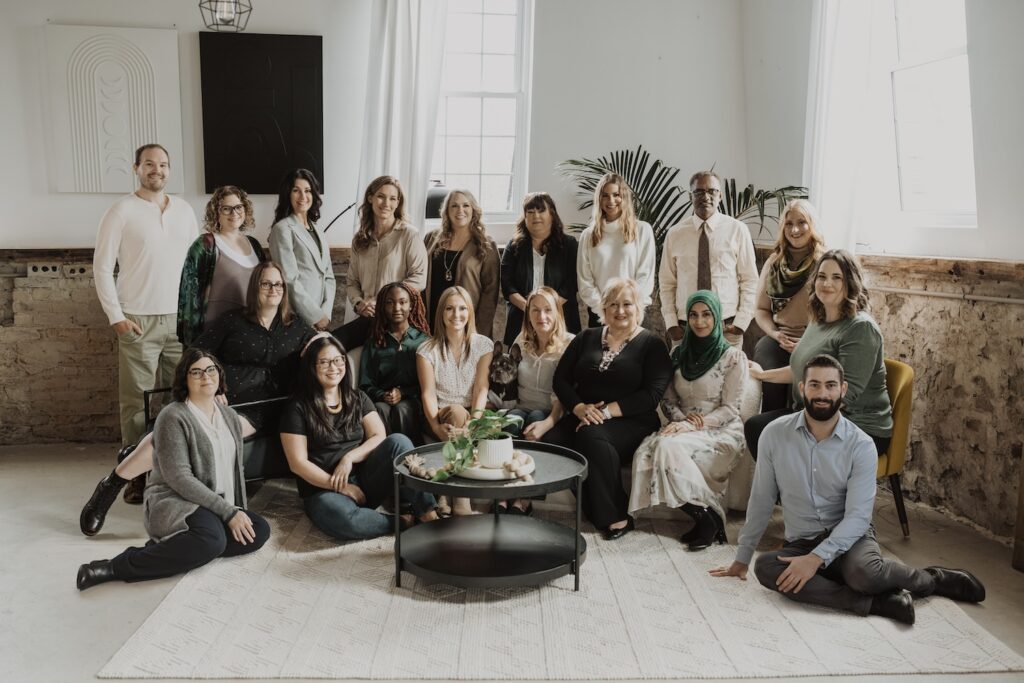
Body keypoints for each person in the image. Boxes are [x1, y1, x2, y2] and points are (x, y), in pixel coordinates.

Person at [710, 354, 986, 625]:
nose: (822, 393)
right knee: (766, 568)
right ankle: (873, 602)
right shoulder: (774, 434)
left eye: (830, 385)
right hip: (802, 540)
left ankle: (930, 579)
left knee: (865, 575)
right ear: (802, 388)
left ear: (842, 390)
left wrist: (816, 559)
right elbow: (762, 499)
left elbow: (858, 517)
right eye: (814, 385)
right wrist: (742, 557)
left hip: (851, 535)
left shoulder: (861, 445)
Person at [79, 262, 315, 536]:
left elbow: (325, 345)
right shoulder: (233, 321)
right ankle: (111, 485)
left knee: (192, 432)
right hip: (213, 396)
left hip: (256, 409)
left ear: (284, 290)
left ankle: (128, 462)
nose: (273, 289)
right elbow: (197, 352)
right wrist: (214, 388)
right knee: (174, 427)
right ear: (255, 288)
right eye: (266, 283)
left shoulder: (296, 326)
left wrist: (323, 338)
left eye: (278, 284)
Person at [76, 349, 269, 590]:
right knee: (212, 541)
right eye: (196, 372)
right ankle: (113, 567)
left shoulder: (228, 416)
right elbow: (179, 478)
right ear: (184, 380)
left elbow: (234, 470)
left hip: (211, 501)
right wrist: (228, 513)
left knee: (258, 531)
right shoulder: (173, 416)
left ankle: (184, 549)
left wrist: (237, 511)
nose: (205, 377)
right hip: (176, 499)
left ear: (219, 374)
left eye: (210, 370)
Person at [93, 143, 199, 504]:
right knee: (136, 403)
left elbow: (194, 269)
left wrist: (194, 315)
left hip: (179, 321)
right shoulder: (121, 211)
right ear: (137, 168)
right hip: (137, 319)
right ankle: (134, 474)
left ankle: (171, 470)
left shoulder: (184, 211)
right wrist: (117, 318)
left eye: (164, 164)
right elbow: (102, 268)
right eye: (150, 164)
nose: (158, 170)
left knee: (178, 399)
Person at [544, 278, 672, 539]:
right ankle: (592, 505)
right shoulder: (586, 337)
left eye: (627, 304)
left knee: (591, 436)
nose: (620, 310)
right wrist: (579, 408)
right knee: (552, 441)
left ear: (639, 308)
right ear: (603, 308)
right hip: (585, 414)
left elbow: (651, 395)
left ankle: (617, 516)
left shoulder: (652, 344)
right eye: (613, 304)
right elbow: (561, 379)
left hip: (632, 420)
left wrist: (604, 413)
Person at [280, 335, 438, 541]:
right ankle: (401, 522)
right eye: (325, 362)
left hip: (364, 480)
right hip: (324, 490)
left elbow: (378, 434)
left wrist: (349, 458)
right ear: (312, 367)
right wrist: (340, 485)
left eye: (338, 360)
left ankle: (428, 514)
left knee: (399, 441)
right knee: (345, 521)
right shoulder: (297, 408)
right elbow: (297, 463)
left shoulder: (357, 397)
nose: (333, 367)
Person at [629, 290, 747, 551]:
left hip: (720, 429)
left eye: (706, 315)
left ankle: (704, 520)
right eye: (693, 315)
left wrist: (694, 424)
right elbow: (668, 400)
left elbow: (731, 408)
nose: (699, 321)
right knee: (646, 453)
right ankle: (707, 516)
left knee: (665, 448)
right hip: (682, 424)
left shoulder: (733, 357)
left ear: (717, 318)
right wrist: (681, 420)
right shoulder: (678, 354)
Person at [745, 249, 892, 459]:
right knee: (756, 427)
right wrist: (762, 375)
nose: (826, 284)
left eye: (836, 277)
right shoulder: (818, 319)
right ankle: (788, 491)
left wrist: (798, 426)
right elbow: (802, 370)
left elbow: (844, 396)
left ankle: (796, 489)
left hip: (856, 425)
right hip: (814, 413)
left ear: (850, 283)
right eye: (821, 276)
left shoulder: (860, 328)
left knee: (774, 439)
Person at [494, 286, 574, 515]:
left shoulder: (570, 343)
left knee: (535, 422)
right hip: (521, 406)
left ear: (558, 312)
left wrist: (549, 421)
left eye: (548, 310)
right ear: (528, 314)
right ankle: (501, 493)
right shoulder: (522, 339)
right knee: (509, 424)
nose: (541, 317)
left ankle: (524, 497)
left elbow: (566, 391)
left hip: (551, 410)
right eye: (535, 310)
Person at [416, 286, 493, 516]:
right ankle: (462, 504)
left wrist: (474, 422)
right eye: (449, 309)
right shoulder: (426, 350)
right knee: (458, 413)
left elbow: (481, 388)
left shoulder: (484, 345)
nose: (456, 315)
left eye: (462, 308)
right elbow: (428, 393)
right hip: (443, 412)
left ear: (469, 312)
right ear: (441, 313)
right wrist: (436, 426)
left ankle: (444, 494)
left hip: (475, 412)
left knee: (469, 417)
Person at [659, 171, 758, 347]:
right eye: (698, 192)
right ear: (691, 197)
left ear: (720, 196)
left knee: (728, 374)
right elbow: (667, 283)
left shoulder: (737, 230)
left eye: (712, 191)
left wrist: (740, 324)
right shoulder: (675, 234)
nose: (705, 196)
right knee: (683, 375)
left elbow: (750, 280)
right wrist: (672, 324)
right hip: (685, 328)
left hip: (727, 327)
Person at [336, 176, 427, 349]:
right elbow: (351, 282)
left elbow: (419, 278)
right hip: (367, 319)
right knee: (328, 347)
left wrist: (382, 300)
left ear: (398, 202)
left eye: (392, 198)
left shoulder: (409, 235)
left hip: (396, 321)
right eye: (381, 196)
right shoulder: (360, 239)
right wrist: (358, 303)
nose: (386, 203)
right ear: (370, 198)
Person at [752, 199, 825, 412]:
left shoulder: (825, 262)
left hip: (814, 339)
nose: (794, 229)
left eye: (802, 222)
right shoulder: (774, 262)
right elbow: (761, 309)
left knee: (803, 395)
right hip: (779, 338)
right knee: (766, 357)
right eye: (788, 223)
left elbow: (834, 316)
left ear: (812, 224)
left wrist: (808, 342)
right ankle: (770, 428)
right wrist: (775, 335)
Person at [177, 185, 267, 347]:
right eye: (226, 208)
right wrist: (192, 343)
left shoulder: (254, 245)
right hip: (214, 336)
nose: (234, 213)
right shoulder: (205, 245)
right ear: (216, 213)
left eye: (238, 207)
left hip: (249, 334)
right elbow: (188, 294)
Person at [499, 192, 581, 345]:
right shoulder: (514, 246)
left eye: (541, 210)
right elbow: (507, 284)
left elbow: (572, 282)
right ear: (525, 217)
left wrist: (548, 309)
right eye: (530, 212)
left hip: (561, 318)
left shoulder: (569, 245)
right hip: (521, 320)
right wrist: (530, 309)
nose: (535, 215)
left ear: (552, 214)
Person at [576, 173, 656, 327]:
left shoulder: (642, 230)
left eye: (616, 195)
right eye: (605, 195)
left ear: (624, 197)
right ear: (599, 199)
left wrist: (628, 309)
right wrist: (605, 311)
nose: (611, 201)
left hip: (634, 315)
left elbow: (645, 276)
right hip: (600, 316)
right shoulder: (588, 235)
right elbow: (585, 281)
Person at [359, 282, 431, 442]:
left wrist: (403, 393)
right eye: (390, 302)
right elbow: (364, 384)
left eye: (402, 302)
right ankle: (383, 458)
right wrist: (382, 395)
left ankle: (411, 458)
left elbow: (431, 384)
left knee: (402, 409)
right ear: (383, 307)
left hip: (413, 401)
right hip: (382, 399)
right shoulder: (374, 343)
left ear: (411, 305)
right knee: (379, 409)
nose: (397, 307)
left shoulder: (424, 341)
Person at [424, 190, 500, 338]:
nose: (460, 210)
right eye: (454, 206)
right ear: (447, 210)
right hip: (433, 318)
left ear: (473, 210)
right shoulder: (431, 238)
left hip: (466, 323)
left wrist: (478, 332)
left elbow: (490, 293)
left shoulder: (486, 244)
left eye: (466, 205)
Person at [269, 168, 335, 331]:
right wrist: (314, 315)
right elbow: (288, 279)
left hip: (321, 316)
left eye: (307, 191)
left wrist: (324, 313)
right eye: (296, 191)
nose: (303, 197)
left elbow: (329, 276)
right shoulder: (282, 229)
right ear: (287, 194)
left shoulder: (318, 230)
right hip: (296, 315)